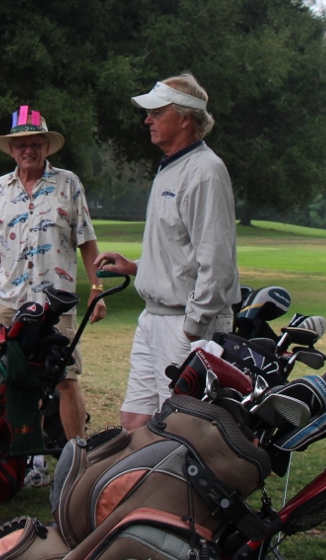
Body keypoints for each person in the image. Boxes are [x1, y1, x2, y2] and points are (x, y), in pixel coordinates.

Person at [95, 73, 239, 431]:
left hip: (184, 323)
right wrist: (136, 267)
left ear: (186, 118)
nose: (148, 120)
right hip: (153, 319)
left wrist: (191, 329)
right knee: (136, 420)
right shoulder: (172, 167)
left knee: (178, 430)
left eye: (157, 113)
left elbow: (217, 264)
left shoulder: (205, 172)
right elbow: (183, 251)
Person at [0, 106, 104, 443]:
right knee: (13, 378)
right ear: (11, 149)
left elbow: (87, 240)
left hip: (55, 303)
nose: (28, 151)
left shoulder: (68, 184)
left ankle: (77, 454)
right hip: (9, 302)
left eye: (35, 144)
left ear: (46, 146)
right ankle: (27, 453)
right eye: (21, 145)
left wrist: (96, 287)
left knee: (65, 378)